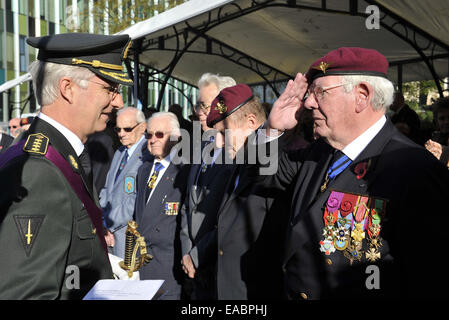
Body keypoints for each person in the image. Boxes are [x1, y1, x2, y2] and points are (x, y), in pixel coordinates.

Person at [262, 47, 449, 299]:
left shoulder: (414, 169)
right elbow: (264, 176)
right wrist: (271, 131)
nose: (308, 103)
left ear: (361, 96)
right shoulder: (319, 151)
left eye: (320, 92)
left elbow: (429, 279)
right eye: (310, 93)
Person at [0, 33, 133, 299]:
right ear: (67, 88)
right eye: (110, 88)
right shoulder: (39, 171)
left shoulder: (61, 155)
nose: (118, 102)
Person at [204, 84, 288, 299]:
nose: (219, 143)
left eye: (225, 133)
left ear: (251, 122)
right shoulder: (240, 160)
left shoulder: (282, 161)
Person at [180, 73, 236, 299]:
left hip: (219, 268)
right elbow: (188, 206)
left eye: (205, 106)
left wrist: (197, 254)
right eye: (199, 106)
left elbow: (229, 218)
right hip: (193, 269)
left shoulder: (241, 154)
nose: (199, 113)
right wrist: (187, 253)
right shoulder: (201, 145)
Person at [134, 112, 189, 300]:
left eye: (159, 134)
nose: (152, 140)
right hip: (142, 266)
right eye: (148, 135)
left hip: (168, 269)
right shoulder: (143, 170)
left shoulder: (185, 171)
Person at [100, 107, 147, 258]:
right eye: (117, 129)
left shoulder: (148, 155)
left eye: (127, 129)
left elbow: (137, 200)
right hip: (108, 236)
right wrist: (101, 221)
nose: (121, 134)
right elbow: (107, 189)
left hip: (128, 239)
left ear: (142, 127)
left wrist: (109, 224)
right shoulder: (120, 152)